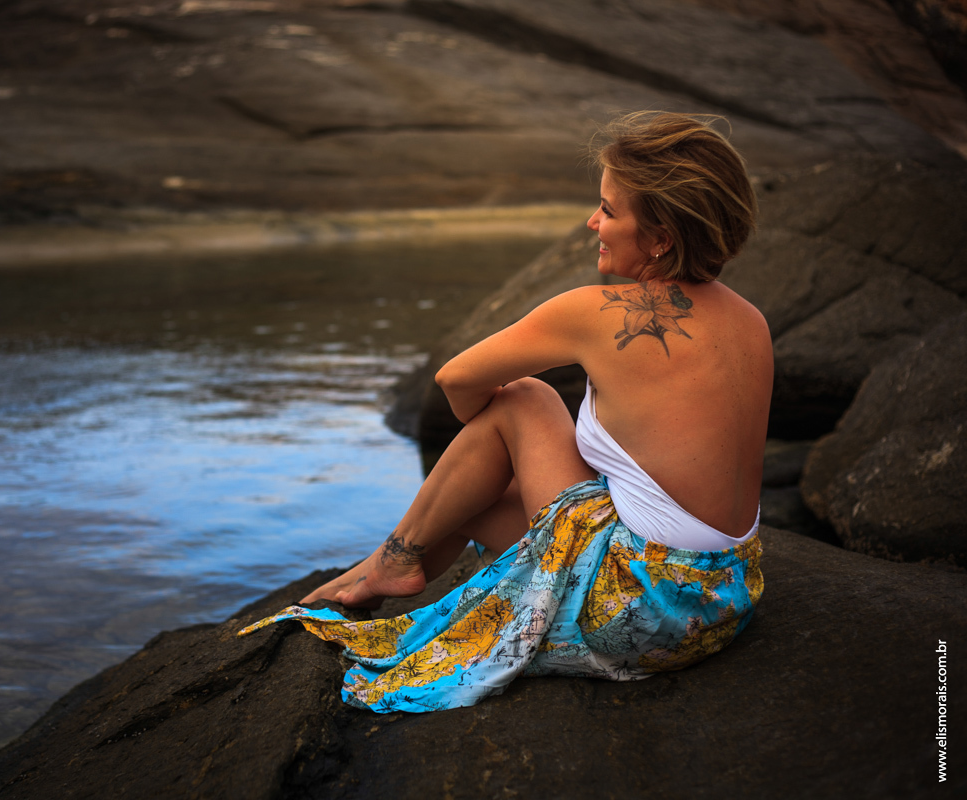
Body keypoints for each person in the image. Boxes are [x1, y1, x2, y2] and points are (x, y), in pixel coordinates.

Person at [239, 111, 771, 713]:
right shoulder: (751, 322)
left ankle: (392, 565)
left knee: (522, 399)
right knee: (480, 498)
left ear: (662, 238)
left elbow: (455, 378)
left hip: (639, 608)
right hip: (722, 598)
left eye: (609, 209)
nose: (592, 221)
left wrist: (487, 433)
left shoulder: (596, 312)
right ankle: (392, 565)